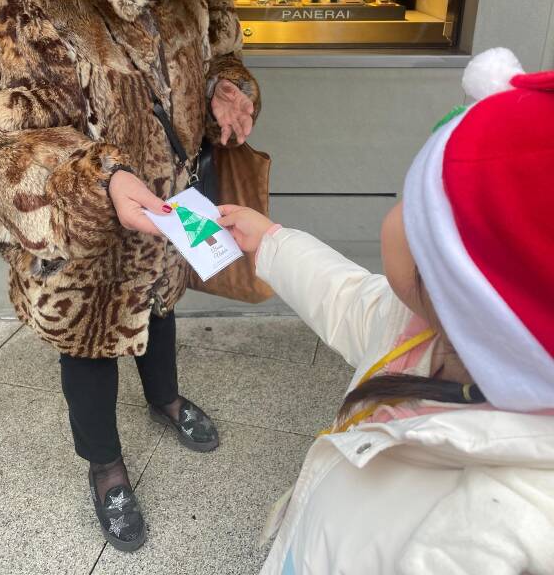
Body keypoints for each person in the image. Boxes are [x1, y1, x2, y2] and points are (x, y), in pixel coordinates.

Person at [0, 0, 260, 552]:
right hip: (85, 224)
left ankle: (165, 399)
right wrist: (96, 186)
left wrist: (228, 81)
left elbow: (218, 22)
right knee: (91, 343)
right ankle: (104, 465)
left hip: (174, 194)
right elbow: (4, 139)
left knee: (164, 305)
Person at [219, 47, 554, 575]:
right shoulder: (428, 329)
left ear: (453, 275)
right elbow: (351, 301)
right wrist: (271, 244)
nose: (397, 207)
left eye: (414, 204)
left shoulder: (496, 531)